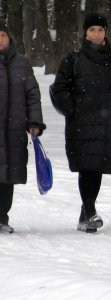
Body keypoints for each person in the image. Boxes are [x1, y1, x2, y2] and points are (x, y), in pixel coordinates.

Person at [50, 12, 111, 233]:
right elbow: (60, 87)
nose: (96, 33)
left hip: (105, 124)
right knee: (86, 168)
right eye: (92, 29)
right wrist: (72, 110)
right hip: (81, 123)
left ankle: (86, 216)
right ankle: (91, 211)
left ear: (105, 33)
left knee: (97, 168)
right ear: (85, 33)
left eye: (100, 30)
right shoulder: (72, 59)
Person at [0, 21, 46, 234]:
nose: (0, 39)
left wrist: (34, 122)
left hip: (14, 131)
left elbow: (32, 95)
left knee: (7, 177)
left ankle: (2, 217)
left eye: (2, 35)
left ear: (9, 37)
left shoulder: (22, 63)